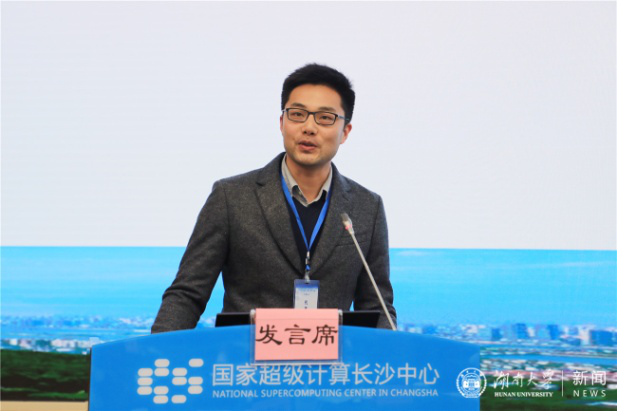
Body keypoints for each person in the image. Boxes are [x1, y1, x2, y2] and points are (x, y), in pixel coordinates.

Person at [152, 63, 396, 332]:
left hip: (329, 358)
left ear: (345, 132)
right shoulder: (230, 198)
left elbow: (378, 307)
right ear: (282, 123)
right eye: (297, 114)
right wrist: (157, 352)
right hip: (246, 356)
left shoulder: (367, 207)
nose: (309, 127)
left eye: (325, 118)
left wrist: (393, 352)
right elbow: (187, 295)